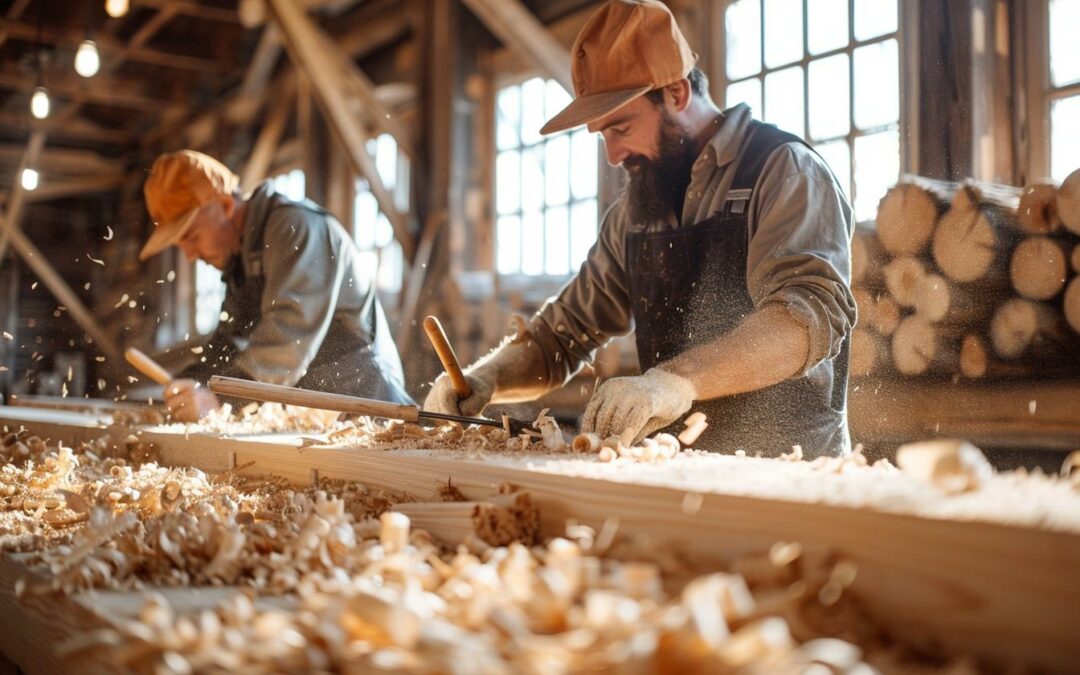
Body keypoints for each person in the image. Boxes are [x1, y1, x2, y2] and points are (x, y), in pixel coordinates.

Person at [425, 0, 855, 457]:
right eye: (601, 135)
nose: (612, 154)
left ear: (675, 93)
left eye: (621, 128)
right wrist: (488, 377)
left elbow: (803, 320)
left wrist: (677, 380)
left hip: (792, 468)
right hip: (677, 468)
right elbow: (559, 338)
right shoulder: (634, 213)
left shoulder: (784, 172)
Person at [140, 150, 412, 421]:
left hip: (368, 400)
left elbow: (289, 335)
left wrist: (220, 398)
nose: (190, 255)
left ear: (225, 205)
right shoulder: (243, 258)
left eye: (192, 236)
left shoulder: (295, 227)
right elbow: (231, 340)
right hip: (319, 412)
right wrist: (193, 380)